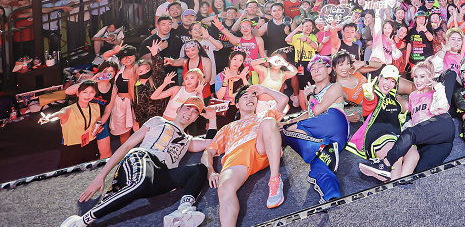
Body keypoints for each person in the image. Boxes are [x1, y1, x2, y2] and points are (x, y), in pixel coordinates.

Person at [60, 97, 217, 227]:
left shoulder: (188, 140)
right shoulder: (158, 121)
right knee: (142, 181)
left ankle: (183, 211)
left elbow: (211, 143)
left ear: (196, 118)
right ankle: (82, 221)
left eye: (195, 112)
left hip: (161, 175)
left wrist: (212, 118)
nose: (189, 113)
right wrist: (101, 176)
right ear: (178, 109)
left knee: (199, 169)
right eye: (187, 108)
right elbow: (127, 145)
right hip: (143, 158)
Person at [202, 84, 289, 227]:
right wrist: (210, 171)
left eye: (253, 96)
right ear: (236, 104)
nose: (250, 99)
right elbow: (208, 152)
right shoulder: (226, 128)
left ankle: (275, 181)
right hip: (235, 159)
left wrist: (264, 90)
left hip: (259, 147)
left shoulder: (264, 114)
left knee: (269, 122)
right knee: (224, 188)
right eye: (245, 96)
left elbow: (284, 100)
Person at [358, 61, 455, 181]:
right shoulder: (413, 96)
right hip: (428, 139)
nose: (418, 80)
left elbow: (443, 107)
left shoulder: (435, 92)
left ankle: (385, 164)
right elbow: (415, 119)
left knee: (409, 134)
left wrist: (437, 86)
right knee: (420, 169)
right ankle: (399, 186)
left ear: (430, 77)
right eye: (416, 77)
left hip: (441, 127)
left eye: (422, 76)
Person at [281, 55, 349, 200]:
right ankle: (331, 195)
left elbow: (317, 110)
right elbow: (309, 114)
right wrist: (288, 122)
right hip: (327, 139)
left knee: (287, 131)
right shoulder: (312, 93)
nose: (316, 70)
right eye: (313, 69)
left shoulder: (335, 86)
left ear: (329, 70)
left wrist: (310, 95)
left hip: (334, 122)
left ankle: (318, 146)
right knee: (319, 166)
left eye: (320, 66)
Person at [53, 80, 102, 168]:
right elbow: (60, 114)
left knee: (90, 170)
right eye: (84, 92)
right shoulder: (69, 109)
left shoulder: (95, 106)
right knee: (69, 173)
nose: (88, 95)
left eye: (92, 92)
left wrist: (99, 127)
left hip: (91, 144)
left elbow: (98, 120)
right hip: (72, 147)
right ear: (78, 93)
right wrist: (49, 117)